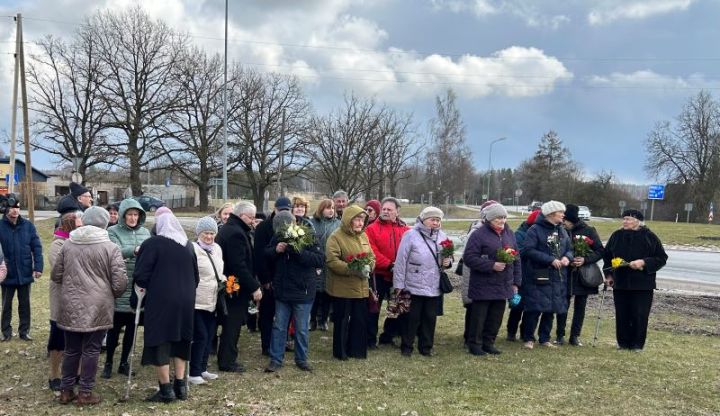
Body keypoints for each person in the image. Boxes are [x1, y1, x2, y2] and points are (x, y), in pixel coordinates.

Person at [51, 206, 127, 405]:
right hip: (98, 305)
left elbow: (56, 275)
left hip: (71, 303)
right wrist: (109, 293)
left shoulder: (68, 244)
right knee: (92, 350)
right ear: (104, 223)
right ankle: (85, 392)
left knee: (71, 349)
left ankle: (66, 390)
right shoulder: (111, 247)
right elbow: (119, 283)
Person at [134, 209, 199, 402]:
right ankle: (181, 386)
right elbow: (196, 277)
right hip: (186, 299)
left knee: (160, 339)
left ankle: (166, 390)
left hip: (162, 299)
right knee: (180, 338)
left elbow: (141, 275)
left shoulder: (153, 243)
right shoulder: (188, 245)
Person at [264, 211, 324, 373]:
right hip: (283, 290)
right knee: (279, 326)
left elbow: (319, 259)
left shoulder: (308, 234)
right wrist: (276, 250)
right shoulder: (278, 236)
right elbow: (266, 254)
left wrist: (298, 251)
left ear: (294, 223)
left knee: (301, 328)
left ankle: (301, 359)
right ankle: (276, 359)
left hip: (303, 291)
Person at [603, 209, 667, 351]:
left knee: (639, 314)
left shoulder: (649, 237)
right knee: (622, 313)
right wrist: (608, 275)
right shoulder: (617, 236)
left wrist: (644, 262)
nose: (625, 222)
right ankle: (623, 343)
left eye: (628, 219)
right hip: (620, 281)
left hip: (642, 284)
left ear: (638, 221)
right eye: (624, 219)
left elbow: (661, 258)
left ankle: (637, 344)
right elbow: (607, 256)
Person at [462, 203, 521, 356]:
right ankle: (475, 344)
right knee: (479, 317)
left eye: (504, 217)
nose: (502, 221)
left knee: (496, 317)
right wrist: (491, 265)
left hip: (503, 284)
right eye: (498, 218)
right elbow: (469, 258)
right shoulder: (479, 234)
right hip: (483, 284)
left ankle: (489, 343)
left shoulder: (510, 234)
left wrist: (516, 282)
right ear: (489, 219)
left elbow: (516, 259)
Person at [103, 198, 151, 379]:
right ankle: (108, 362)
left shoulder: (146, 232)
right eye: (130, 214)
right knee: (114, 330)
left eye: (136, 214)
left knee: (132, 329)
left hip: (138, 287)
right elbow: (115, 250)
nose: (133, 218)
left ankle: (124, 362)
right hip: (119, 286)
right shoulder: (112, 231)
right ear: (123, 215)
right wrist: (135, 250)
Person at [393, 206, 451, 357]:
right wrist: (398, 284)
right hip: (413, 285)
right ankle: (407, 347)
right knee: (411, 317)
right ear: (424, 220)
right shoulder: (410, 235)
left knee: (430, 318)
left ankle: (426, 347)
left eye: (438, 220)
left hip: (433, 285)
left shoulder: (442, 236)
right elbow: (401, 261)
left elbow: (448, 257)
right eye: (433, 219)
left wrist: (448, 262)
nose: (436, 222)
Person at [215, 201, 263, 373]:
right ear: (242, 215)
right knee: (232, 323)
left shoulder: (230, 229)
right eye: (251, 217)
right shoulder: (236, 233)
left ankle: (226, 356)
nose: (253, 221)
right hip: (233, 285)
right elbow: (238, 265)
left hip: (229, 282)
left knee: (231, 322)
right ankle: (227, 360)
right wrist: (254, 287)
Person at [519, 201, 572, 349]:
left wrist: (568, 257)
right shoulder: (534, 230)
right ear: (550, 214)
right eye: (560, 212)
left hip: (558, 276)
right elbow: (528, 250)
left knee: (551, 308)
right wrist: (550, 260)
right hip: (539, 274)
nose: (563, 215)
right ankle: (529, 338)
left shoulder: (562, 230)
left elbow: (569, 248)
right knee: (535, 307)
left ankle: (545, 338)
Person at [325, 205, 375, 360]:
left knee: (359, 319)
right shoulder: (336, 237)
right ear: (348, 220)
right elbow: (332, 261)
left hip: (361, 287)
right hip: (342, 288)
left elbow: (372, 256)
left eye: (362, 219)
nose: (360, 223)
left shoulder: (363, 236)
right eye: (357, 219)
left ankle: (357, 351)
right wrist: (354, 269)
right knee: (342, 321)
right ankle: (341, 352)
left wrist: (370, 265)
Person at [555, 204, 604, 346]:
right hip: (565, 273)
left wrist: (585, 259)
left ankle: (575, 336)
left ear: (572, 220)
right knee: (563, 305)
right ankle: (559, 335)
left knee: (580, 306)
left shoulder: (589, 230)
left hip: (582, 275)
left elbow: (600, 250)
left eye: (566, 220)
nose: (563, 223)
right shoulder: (560, 230)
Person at [364, 197, 410, 348]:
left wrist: (400, 267)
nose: (385, 211)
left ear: (397, 211)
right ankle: (370, 339)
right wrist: (390, 265)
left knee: (397, 307)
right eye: (383, 209)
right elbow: (372, 251)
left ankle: (388, 336)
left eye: (389, 209)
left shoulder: (406, 229)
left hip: (399, 276)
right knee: (373, 308)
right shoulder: (371, 229)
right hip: (378, 274)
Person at [47, 211, 82, 392]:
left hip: (77, 299)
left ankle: (76, 372)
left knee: (76, 339)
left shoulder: (78, 243)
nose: (81, 227)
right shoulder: (57, 244)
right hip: (61, 299)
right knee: (58, 339)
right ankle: (55, 375)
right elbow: (60, 271)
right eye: (78, 224)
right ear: (69, 225)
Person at [0, 195, 43, 342]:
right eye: (12, 207)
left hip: (25, 272)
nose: (15, 210)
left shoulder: (28, 226)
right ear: (5, 209)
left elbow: (36, 247)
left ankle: (24, 332)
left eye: (17, 207)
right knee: (6, 305)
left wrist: (38, 267)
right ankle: (6, 332)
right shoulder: (0, 226)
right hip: (7, 273)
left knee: (25, 304)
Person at [254, 196, 292, 356]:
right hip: (270, 277)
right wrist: (265, 280)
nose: (283, 213)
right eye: (281, 210)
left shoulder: (292, 226)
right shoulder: (263, 227)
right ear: (275, 210)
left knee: (285, 314)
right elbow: (259, 256)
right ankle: (266, 345)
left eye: (286, 210)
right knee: (268, 313)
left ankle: (282, 342)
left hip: (287, 277)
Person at [189, 217, 225, 385]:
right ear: (199, 234)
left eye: (212, 233)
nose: (209, 237)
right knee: (200, 336)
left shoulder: (217, 249)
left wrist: (225, 281)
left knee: (210, 335)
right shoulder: (192, 249)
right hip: (197, 300)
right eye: (206, 234)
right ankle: (193, 372)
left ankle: (202, 368)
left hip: (213, 299)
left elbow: (218, 271)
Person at [506, 209, 541, 341]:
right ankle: (511, 331)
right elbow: (517, 253)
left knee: (532, 307)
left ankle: (526, 332)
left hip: (535, 276)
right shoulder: (519, 235)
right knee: (517, 306)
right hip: (521, 276)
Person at [309, 199, 340, 331]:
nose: (331, 210)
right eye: (328, 208)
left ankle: (323, 320)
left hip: (331, 263)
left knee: (328, 293)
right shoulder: (312, 223)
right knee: (315, 293)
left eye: (332, 208)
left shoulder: (338, 224)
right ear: (321, 209)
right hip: (316, 262)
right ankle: (312, 320)